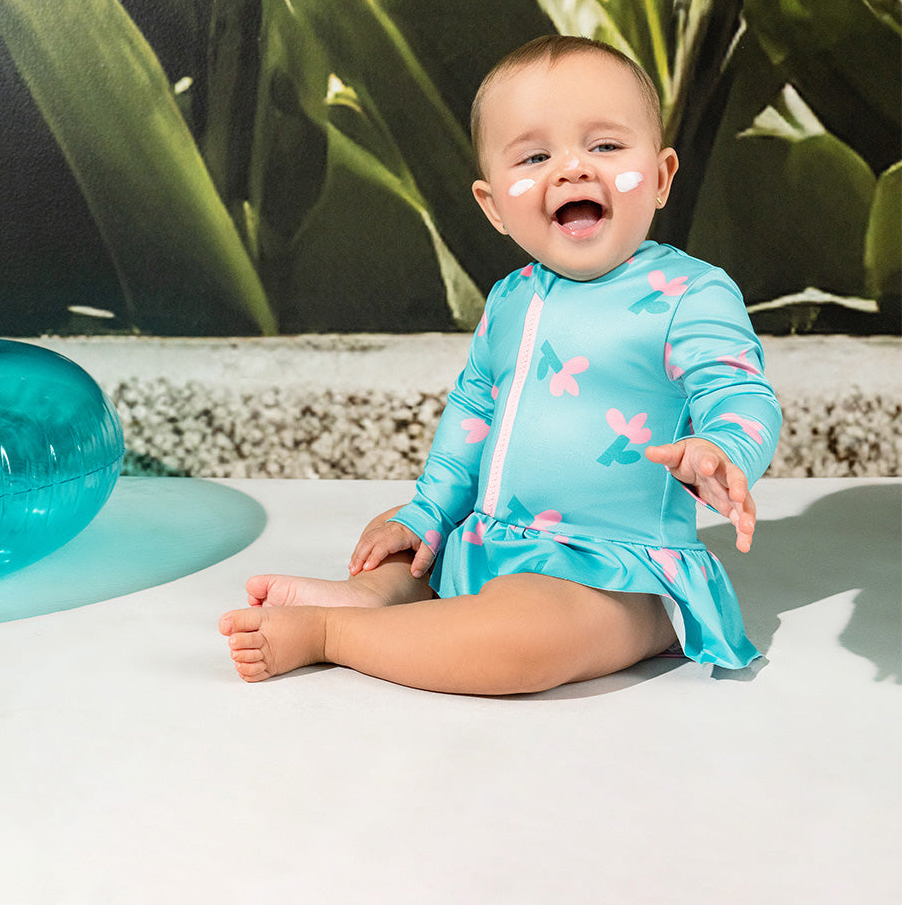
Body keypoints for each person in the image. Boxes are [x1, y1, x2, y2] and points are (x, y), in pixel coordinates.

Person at [219, 35, 782, 694]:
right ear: (493, 206)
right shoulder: (513, 297)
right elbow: (475, 410)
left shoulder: (691, 293)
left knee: (527, 639)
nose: (572, 169)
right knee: (409, 552)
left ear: (659, 177)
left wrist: (724, 449)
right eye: (536, 155)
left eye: (604, 146)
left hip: (622, 571)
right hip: (493, 540)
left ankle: (331, 634)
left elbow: (740, 390)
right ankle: (374, 596)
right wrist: (427, 510)